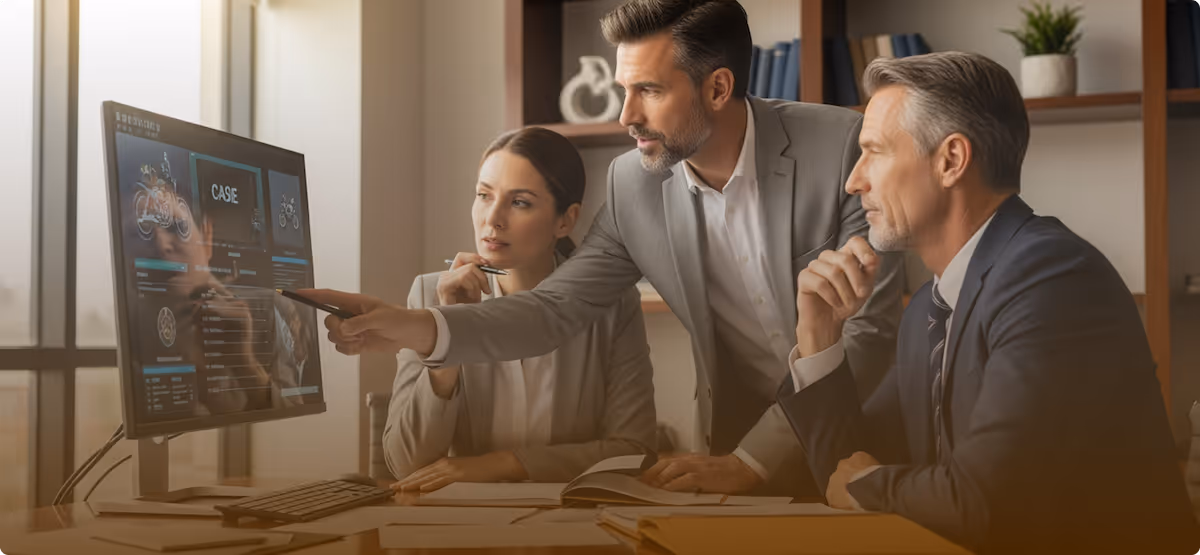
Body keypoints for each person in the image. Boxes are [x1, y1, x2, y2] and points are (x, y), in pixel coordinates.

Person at [308, 0, 903, 496]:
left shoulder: (842, 148)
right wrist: (415, 326)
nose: (626, 115)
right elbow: (552, 310)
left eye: (647, 89)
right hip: (730, 465)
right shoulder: (633, 184)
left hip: (865, 442)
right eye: (623, 88)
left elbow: (868, 334)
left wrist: (754, 460)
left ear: (718, 87)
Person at [778, 51, 1195, 553]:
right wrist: (819, 341)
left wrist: (871, 484)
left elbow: (989, 503)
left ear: (951, 160)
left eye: (874, 151)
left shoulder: (1053, 278)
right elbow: (843, 475)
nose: (854, 180)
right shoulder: (925, 314)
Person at [384, 127, 657, 491]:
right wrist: (448, 340)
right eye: (484, 195)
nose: (492, 219)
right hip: (462, 528)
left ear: (566, 220)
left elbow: (633, 451)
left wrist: (503, 465)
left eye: (520, 202)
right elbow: (405, 465)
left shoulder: (610, 303)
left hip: (569, 526)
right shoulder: (430, 294)